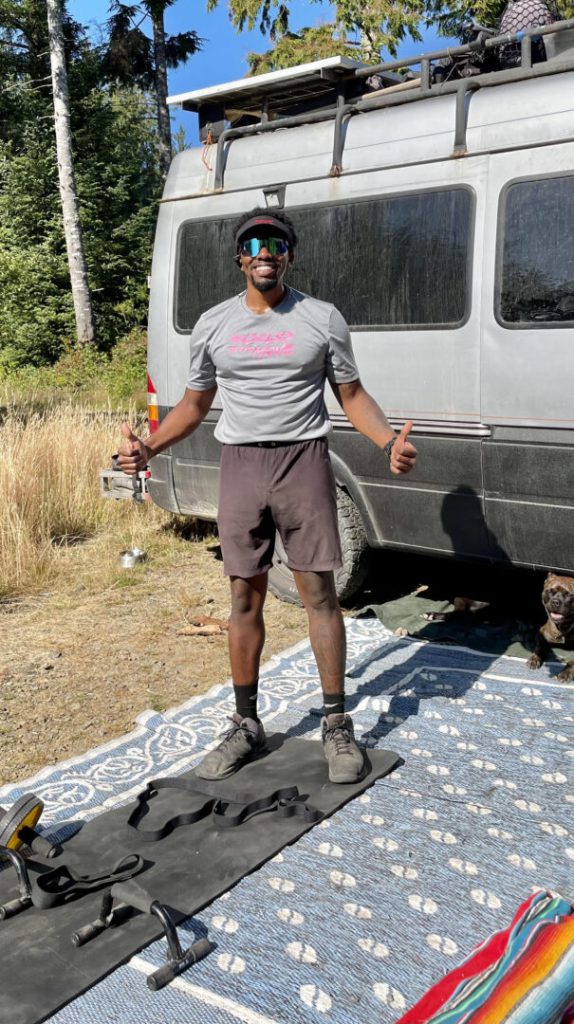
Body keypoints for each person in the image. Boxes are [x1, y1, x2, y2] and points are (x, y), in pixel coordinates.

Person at [117, 207, 417, 784]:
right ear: (239, 256)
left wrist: (386, 443)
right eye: (253, 242)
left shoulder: (322, 319)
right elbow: (194, 405)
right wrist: (149, 448)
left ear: (289, 256)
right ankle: (246, 723)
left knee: (320, 595)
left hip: (303, 460)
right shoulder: (213, 325)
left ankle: (335, 724)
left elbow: (352, 396)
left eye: (275, 243)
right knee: (243, 600)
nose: (264, 251)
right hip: (242, 465)